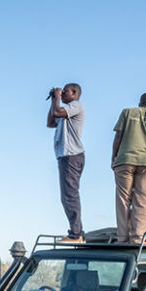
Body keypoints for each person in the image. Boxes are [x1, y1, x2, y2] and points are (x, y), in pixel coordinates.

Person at [110, 92, 146, 243]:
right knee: (142, 200)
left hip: (124, 160)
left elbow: (118, 136)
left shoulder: (127, 112)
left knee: (123, 199)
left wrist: (113, 157)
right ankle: (137, 237)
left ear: (139, 103)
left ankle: (122, 237)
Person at [47, 83, 85, 243]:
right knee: (67, 196)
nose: (62, 94)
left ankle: (76, 234)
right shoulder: (65, 111)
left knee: (69, 195)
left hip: (71, 156)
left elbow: (57, 112)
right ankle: (77, 233)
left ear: (74, 93)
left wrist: (57, 97)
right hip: (66, 156)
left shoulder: (76, 105)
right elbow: (50, 122)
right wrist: (53, 100)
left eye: (65, 92)